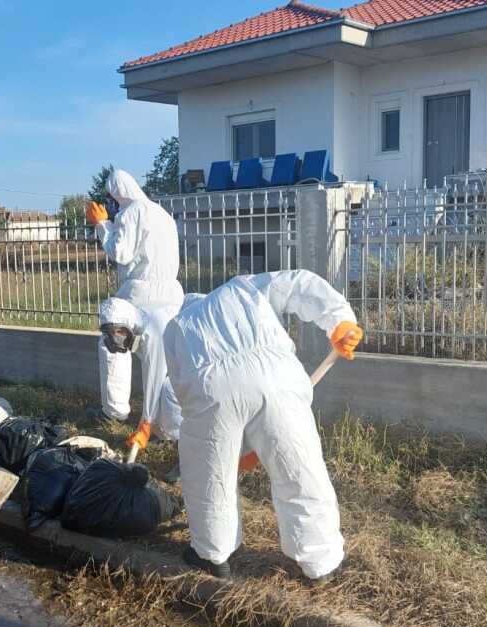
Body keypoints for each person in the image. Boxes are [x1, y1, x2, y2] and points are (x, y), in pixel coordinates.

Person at [158, 270, 363, 581]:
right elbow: (297, 283)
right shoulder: (241, 289)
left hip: (211, 389)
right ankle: (320, 563)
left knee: (209, 476)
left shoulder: (176, 327)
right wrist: (340, 321)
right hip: (277, 376)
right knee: (300, 468)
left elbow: (186, 396)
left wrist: (236, 449)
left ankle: (212, 556)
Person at [85, 170, 183, 424]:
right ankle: (168, 423)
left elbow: (121, 252)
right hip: (172, 298)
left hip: (140, 296)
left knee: (113, 341)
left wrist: (102, 225)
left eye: (111, 197)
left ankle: (114, 411)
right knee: (166, 361)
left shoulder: (131, 212)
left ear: (117, 193)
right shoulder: (163, 214)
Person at [98, 297, 182, 451]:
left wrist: (145, 425)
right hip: (183, 361)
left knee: (169, 392)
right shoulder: (141, 325)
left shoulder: (153, 331)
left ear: (127, 323)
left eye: (118, 331)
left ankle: (181, 443)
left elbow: (154, 381)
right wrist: (146, 423)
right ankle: (165, 435)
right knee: (162, 397)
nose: (115, 337)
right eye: (110, 333)